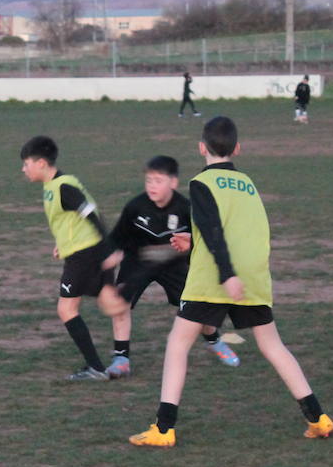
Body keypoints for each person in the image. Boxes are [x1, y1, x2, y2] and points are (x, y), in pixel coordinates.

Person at [129, 116, 333, 447]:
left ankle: (164, 429)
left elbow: (214, 230)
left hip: (216, 278)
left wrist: (226, 274)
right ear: (237, 148)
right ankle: (319, 419)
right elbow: (239, 232)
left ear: (201, 148)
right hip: (253, 276)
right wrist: (195, 244)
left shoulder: (200, 183)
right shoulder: (249, 184)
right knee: (272, 345)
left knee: (178, 343)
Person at [100, 154, 241, 379]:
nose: (152, 186)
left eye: (158, 180)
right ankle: (121, 359)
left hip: (173, 263)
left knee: (197, 307)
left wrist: (190, 247)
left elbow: (202, 241)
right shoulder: (135, 206)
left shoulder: (185, 208)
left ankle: (214, 341)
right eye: (149, 180)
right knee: (120, 303)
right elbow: (116, 238)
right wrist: (110, 255)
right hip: (138, 261)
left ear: (173, 182)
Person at [20, 134, 126, 381]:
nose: (23, 169)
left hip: (85, 254)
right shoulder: (57, 184)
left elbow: (90, 213)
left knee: (67, 308)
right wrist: (63, 243)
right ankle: (119, 357)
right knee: (110, 301)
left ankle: (96, 368)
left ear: (42, 164)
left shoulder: (63, 187)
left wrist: (109, 247)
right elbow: (70, 218)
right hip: (84, 250)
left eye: (26, 163)